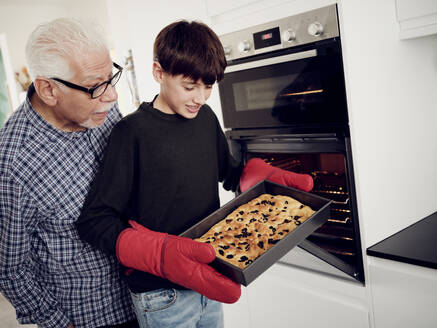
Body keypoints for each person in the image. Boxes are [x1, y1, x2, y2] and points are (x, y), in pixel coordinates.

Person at [76, 20, 313, 328]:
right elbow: (95, 220)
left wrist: (252, 176)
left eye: (208, 86)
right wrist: (156, 253)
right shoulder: (131, 132)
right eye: (190, 86)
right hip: (161, 295)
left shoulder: (205, 117)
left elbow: (228, 172)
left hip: (209, 276)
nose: (200, 98)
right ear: (159, 73)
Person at [0, 18, 138, 328]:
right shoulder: (13, 167)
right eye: (96, 85)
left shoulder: (100, 104)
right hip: (93, 317)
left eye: (110, 78)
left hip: (148, 294)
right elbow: (10, 268)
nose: (112, 97)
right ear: (48, 89)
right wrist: (60, 324)